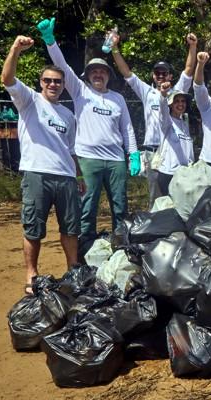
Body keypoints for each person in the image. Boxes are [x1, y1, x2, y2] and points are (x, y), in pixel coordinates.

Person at [37, 17, 138, 241]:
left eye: (102, 72)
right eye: (94, 72)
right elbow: (62, 67)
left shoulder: (117, 99)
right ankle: (85, 248)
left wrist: (134, 154)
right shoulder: (80, 91)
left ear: (108, 76)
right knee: (87, 207)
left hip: (116, 161)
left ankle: (122, 245)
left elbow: (127, 129)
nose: (98, 75)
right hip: (88, 159)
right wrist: (50, 41)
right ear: (88, 75)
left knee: (121, 207)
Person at [1, 35, 84, 293]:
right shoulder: (29, 101)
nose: (52, 84)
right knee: (34, 228)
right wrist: (15, 49)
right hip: (37, 174)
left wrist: (78, 176)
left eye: (57, 81)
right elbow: (7, 79)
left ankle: (73, 271)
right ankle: (32, 275)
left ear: (62, 85)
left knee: (71, 228)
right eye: (48, 80)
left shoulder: (68, 115)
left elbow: (70, 150)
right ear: (41, 83)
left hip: (66, 177)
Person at [109, 31, 196, 206]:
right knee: (156, 196)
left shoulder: (177, 91)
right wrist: (114, 48)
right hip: (153, 151)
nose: (161, 76)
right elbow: (126, 73)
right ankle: (156, 229)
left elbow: (188, 70)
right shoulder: (146, 92)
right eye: (157, 73)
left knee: (181, 193)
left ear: (170, 76)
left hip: (174, 149)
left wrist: (193, 46)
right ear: (153, 75)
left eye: (164, 73)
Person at [153, 83, 193, 194]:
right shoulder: (167, 122)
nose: (180, 104)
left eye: (183, 101)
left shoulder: (185, 124)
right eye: (177, 101)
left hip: (184, 173)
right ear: (170, 104)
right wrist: (163, 95)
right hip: (168, 174)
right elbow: (163, 110)